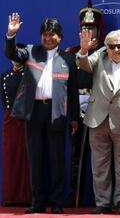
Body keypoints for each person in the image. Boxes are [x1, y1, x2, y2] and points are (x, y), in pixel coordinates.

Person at [4, 13, 79, 214]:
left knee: (56, 159)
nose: (47, 38)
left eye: (51, 35)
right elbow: (12, 54)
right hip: (34, 112)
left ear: (60, 37)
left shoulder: (69, 59)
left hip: (57, 114)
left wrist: (74, 119)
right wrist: (11, 35)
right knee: (35, 159)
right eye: (44, 34)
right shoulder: (29, 51)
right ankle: (37, 202)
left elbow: (72, 92)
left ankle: (56, 202)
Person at [76, 29, 120, 214]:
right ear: (106, 47)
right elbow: (82, 63)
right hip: (97, 120)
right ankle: (102, 203)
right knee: (99, 164)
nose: (116, 49)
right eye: (112, 46)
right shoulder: (98, 60)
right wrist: (84, 50)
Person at [65, 0, 105, 207]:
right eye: (85, 27)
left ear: (100, 29)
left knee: (104, 159)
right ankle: (76, 199)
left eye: (92, 28)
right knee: (77, 157)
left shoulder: (108, 52)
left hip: (101, 112)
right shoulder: (71, 53)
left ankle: (106, 201)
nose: (88, 31)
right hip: (77, 113)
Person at [0, 60, 31, 205]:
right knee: (10, 156)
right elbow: (4, 101)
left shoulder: (30, 75)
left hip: (26, 120)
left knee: (27, 156)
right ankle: (10, 196)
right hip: (10, 120)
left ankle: (27, 196)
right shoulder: (4, 76)